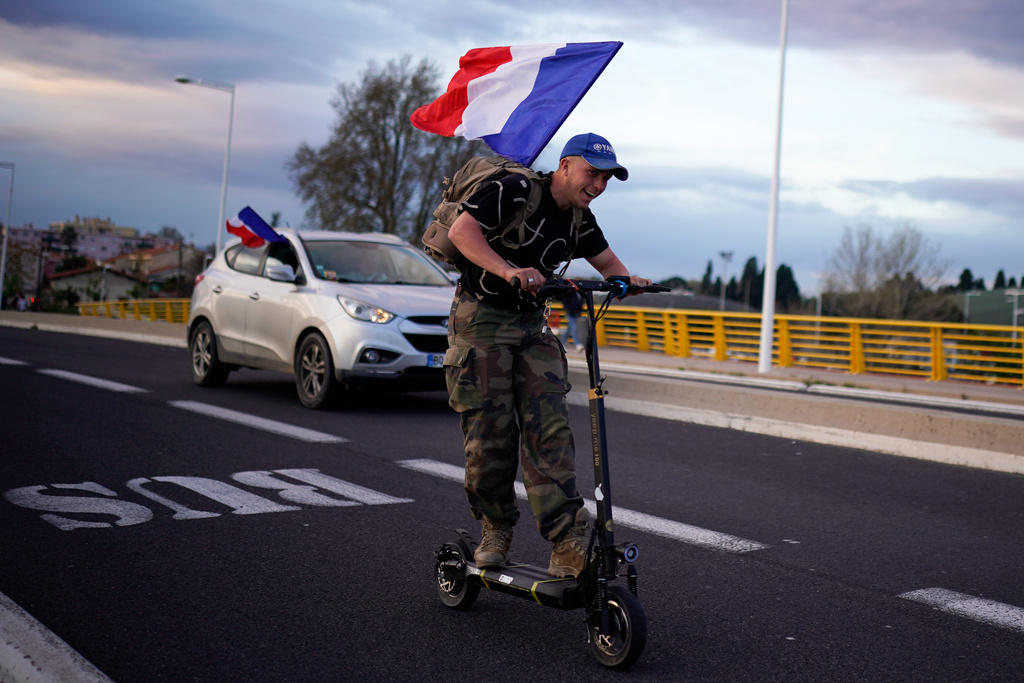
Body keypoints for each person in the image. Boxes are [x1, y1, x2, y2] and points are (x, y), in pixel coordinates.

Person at [444, 132, 652, 578]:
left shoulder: (581, 219)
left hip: (531, 325)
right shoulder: (515, 190)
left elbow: (610, 265)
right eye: (592, 174)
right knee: (490, 434)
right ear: (565, 166)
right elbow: (463, 231)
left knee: (550, 429)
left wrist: (627, 281)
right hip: (481, 318)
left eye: (607, 178)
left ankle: (565, 539)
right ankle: (495, 527)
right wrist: (508, 270)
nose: (598, 185)